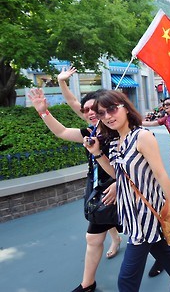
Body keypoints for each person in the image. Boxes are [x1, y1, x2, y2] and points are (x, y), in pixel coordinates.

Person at [84, 90, 170, 292]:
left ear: (125, 108)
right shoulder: (115, 141)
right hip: (129, 213)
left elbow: (161, 175)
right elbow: (118, 174)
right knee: (159, 247)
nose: (107, 116)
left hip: (145, 215)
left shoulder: (142, 136)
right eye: (102, 113)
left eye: (112, 109)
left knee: (126, 281)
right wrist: (97, 152)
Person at [28, 87, 121, 292]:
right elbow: (61, 132)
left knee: (142, 230)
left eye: (93, 108)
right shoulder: (90, 132)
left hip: (121, 188)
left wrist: (118, 184)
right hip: (97, 186)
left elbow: (133, 166)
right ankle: (88, 284)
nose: (89, 112)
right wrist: (44, 112)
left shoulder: (119, 131)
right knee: (95, 233)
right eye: (85, 109)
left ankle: (163, 256)